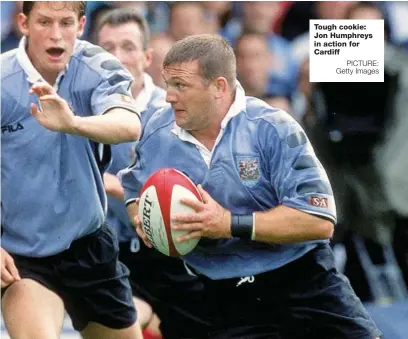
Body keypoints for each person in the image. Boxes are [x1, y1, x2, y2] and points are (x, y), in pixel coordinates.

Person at [119, 34, 382, 339]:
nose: (168, 97)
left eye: (181, 86)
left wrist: (228, 224)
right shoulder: (155, 131)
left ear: (218, 87)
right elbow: (134, 189)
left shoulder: (273, 128)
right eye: (168, 84)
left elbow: (319, 221)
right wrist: (146, 220)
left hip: (302, 279)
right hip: (224, 296)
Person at [1, 2, 143, 339]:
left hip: (89, 244)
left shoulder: (97, 66)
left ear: (81, 25)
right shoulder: (2, 81)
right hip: (24, 255)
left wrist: (74, 123)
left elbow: (129, 124)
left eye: (65, 23)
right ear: (23, 23)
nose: (55, 34)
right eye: (44, 22)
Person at [95, 8, 210, 338]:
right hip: (106, 256)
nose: (117, 57)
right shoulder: (79, 115)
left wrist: (119, 189)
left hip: (174, 256)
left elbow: (193, 193)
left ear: (147, 57)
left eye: (127, 47)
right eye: (107, 47)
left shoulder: (178, 114)